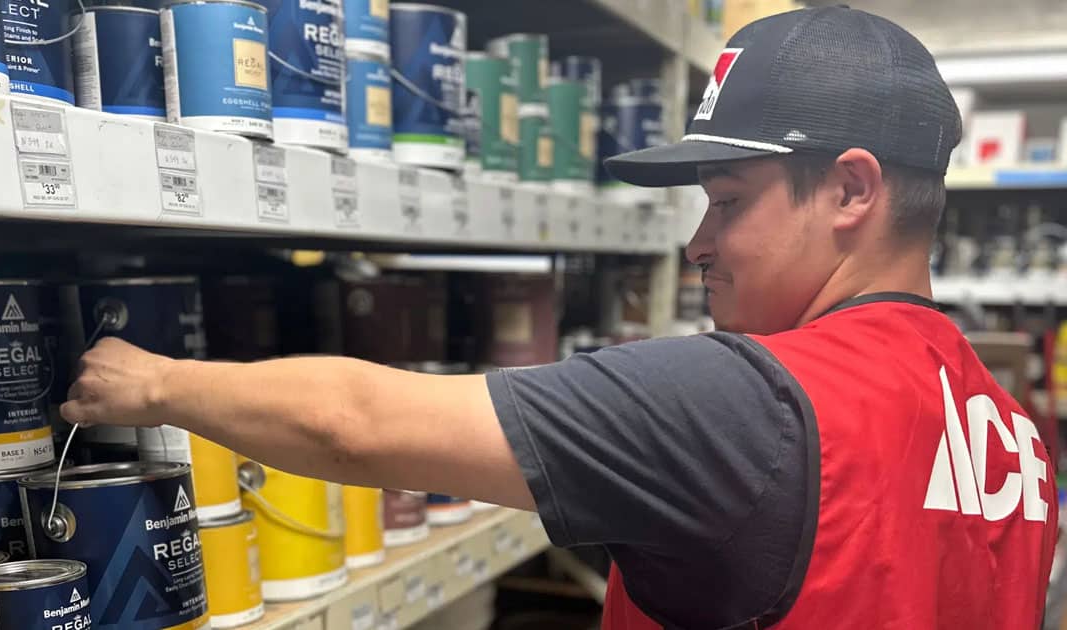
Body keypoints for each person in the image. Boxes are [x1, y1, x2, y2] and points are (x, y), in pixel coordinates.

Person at [61, 6, 1058, 629]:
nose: (699, 244)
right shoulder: (1015, 439)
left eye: (728, 198)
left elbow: (354, 424)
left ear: (850, 189)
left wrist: (152, 383)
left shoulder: (751, 405)